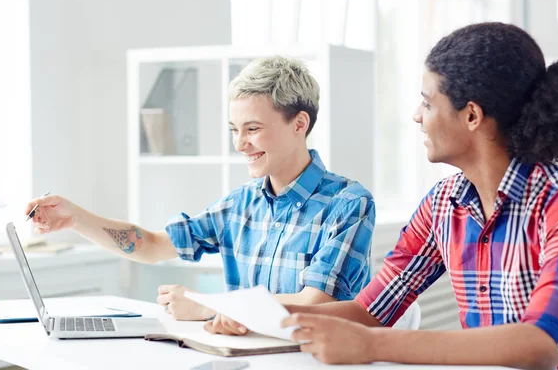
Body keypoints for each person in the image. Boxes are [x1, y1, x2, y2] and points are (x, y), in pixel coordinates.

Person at [281, 22, 558, 370]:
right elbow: (368, 310)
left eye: (427, 103)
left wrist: (372, 344)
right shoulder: (442, 204)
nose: (417, 116)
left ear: (471, 115)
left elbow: (540, 345)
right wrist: (257, 314)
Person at [25, 56, 375, 335]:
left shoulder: (348, 205)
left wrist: (211, 305)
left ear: (299, 124)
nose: (240, 144)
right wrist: (75, 219)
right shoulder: (241, 204)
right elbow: (151, 245)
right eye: (234, 130)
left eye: (252, 129)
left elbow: (314, 302)